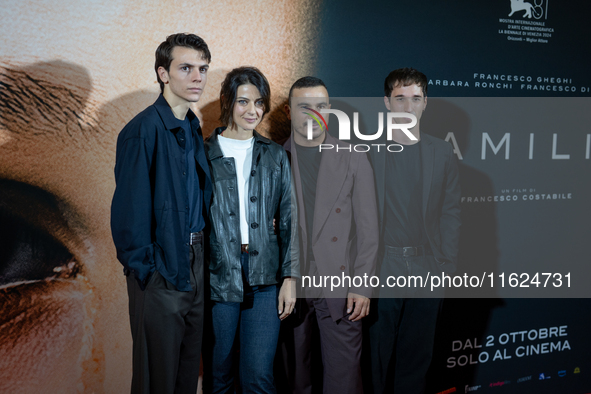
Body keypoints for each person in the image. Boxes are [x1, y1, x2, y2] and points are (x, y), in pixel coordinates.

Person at [111, 33, 212, 393]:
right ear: (163, 73)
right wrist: (148, 271)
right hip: (160, 268)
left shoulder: (192, 126)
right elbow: (129, 213)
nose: (197, 77)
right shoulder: (142, 130)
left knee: (187, 374)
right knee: (158, 380)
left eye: (202, 68)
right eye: (185, 68)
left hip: (196, 262)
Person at [281, 77, 379, 393]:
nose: (314, 114)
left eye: (321, 106)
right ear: (288, 112)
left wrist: (362, 285)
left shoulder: (353, 155)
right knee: (296, 376)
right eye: (304, 106)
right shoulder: (273, 157)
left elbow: (369, 227)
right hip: (290, 283)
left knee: (345, 378)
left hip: (339, 282)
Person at [203, 66, 297, 394]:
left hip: (265, 278)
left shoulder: (274, 155)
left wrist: (290, 277)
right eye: (243, 102)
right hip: (218, 276)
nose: (252, 111)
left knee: (258, 377)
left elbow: (289, 219)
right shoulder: (203, 153)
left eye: (259, 103)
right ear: (228, 102)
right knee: (219, 376)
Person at [367, 67, 461, 394]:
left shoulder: (441, 152)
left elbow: (451, 211)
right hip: (382, 268)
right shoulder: (367, 150)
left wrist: (445, 267)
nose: (408, 106)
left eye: (416, 98)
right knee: (375, 360)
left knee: (416, 361)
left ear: (425, 104)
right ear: (387, 103)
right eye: (400, 98)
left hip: (426, 268)